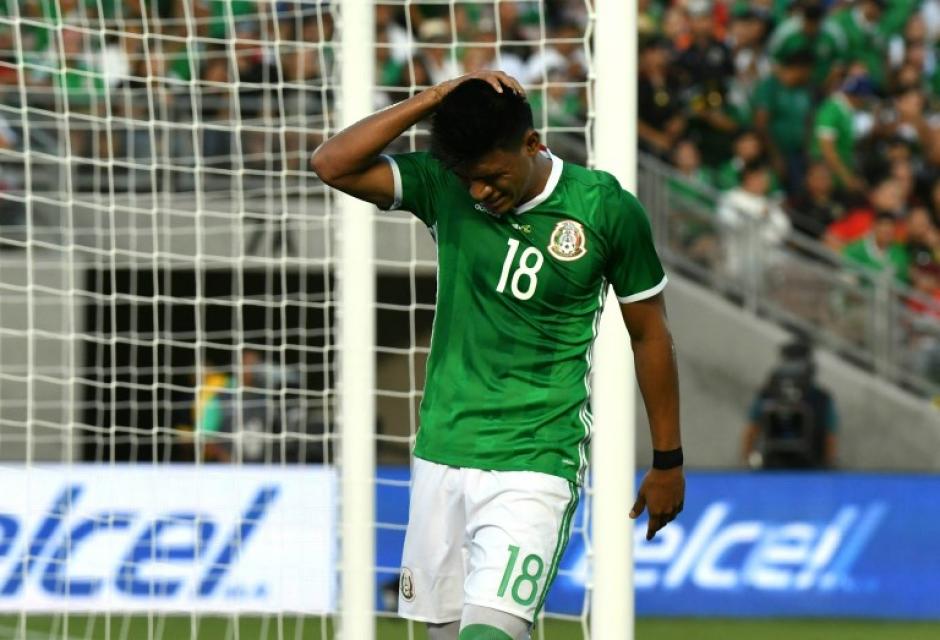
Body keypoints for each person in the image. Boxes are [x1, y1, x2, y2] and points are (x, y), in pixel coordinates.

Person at [310, 71, 684, 640]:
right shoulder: (445, 187)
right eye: (469, 180)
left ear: (532, 144)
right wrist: (437, 97)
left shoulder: (604, 209)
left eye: (490, 176)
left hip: (534, 457)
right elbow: (332, 164)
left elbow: (650, 335)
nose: (480, 192)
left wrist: (668, 460)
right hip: (441, 449)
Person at [742, 339, 838, 470]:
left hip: (771, 465)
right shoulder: (822, 398)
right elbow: (830, 438)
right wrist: (827, 466)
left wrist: (748, 460)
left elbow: (751, 431)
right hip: (809, 468)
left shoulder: (766, 394)